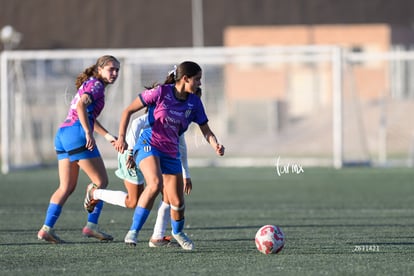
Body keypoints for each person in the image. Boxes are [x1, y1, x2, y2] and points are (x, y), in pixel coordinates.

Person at [85, 61, 225, 250]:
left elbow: (206, 130)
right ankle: (133, 231)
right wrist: (122, 141)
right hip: (148, 144)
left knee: (176, 200)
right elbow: (128, 111)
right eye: (197, 79)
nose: (200, 83)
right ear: (185, 79)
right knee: (155, 183)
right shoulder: (161, 92)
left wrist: (215, 144)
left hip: (170, 151)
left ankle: (177, 232)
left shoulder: (194, 103)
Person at [88, 88, 202, 247]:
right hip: (134, 152)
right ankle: (96, 193)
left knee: (169, 194)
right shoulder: (163, 109)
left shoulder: (182, 119)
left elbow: (181, 146)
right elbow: (135, 123)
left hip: (158, 154)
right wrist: (129, 152)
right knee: (133, 200)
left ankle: (157, 237)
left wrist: (185, 174)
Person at [37, 55, 120, 243]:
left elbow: (87, 113)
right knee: (101, 181)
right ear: (99, 69)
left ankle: (46, 229)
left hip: (63, 134)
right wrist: (87, 132)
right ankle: (91, 226)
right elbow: (82, 105)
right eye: (111, 69)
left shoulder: (91, 84)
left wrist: (106, 135)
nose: (115, 73)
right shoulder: (96, 86)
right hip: (76, 135)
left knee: (66, 187)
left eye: (117, 70)